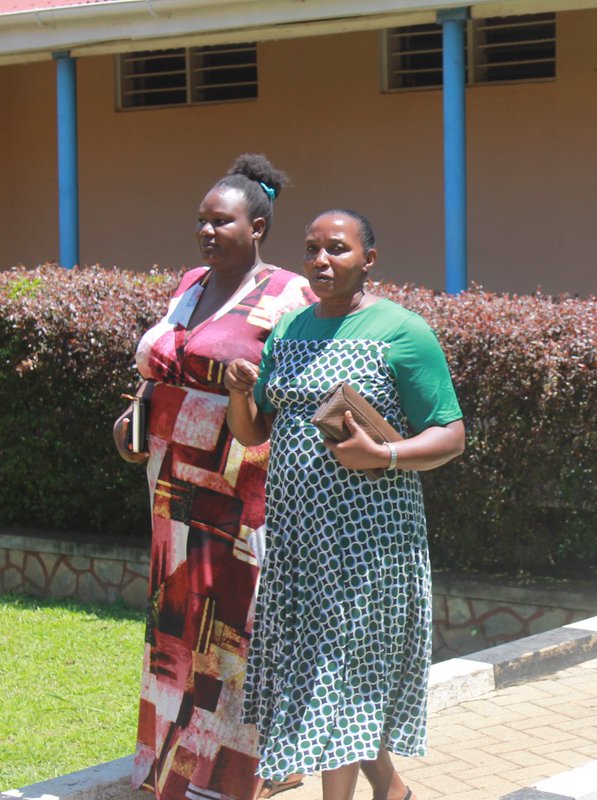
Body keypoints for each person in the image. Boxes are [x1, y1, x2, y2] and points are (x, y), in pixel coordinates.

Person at [224, 209, 466, 800]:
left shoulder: (402, 331)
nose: (322, 261)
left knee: (336, 679)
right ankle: (393, 791)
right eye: (311, 250)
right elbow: (254, 432)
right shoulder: (289, 330)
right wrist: (236, 391)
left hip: (370, 541)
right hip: (298, 536)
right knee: (326, 676)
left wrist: (381, 455)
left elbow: (450, 435)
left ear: (369, 260)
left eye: (337, 249)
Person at [114, 154, 315, 800]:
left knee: (234, 624)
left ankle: (239, 772)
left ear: (257, 227)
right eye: (201, 220)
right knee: (177, 619)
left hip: (240, 481)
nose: (206, 231)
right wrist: (132, 416)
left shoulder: (289, 295)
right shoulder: (192, 283)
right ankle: (171, 766)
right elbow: (159, 367)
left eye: (221, 221)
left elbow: (303, 395)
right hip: (171, 479)